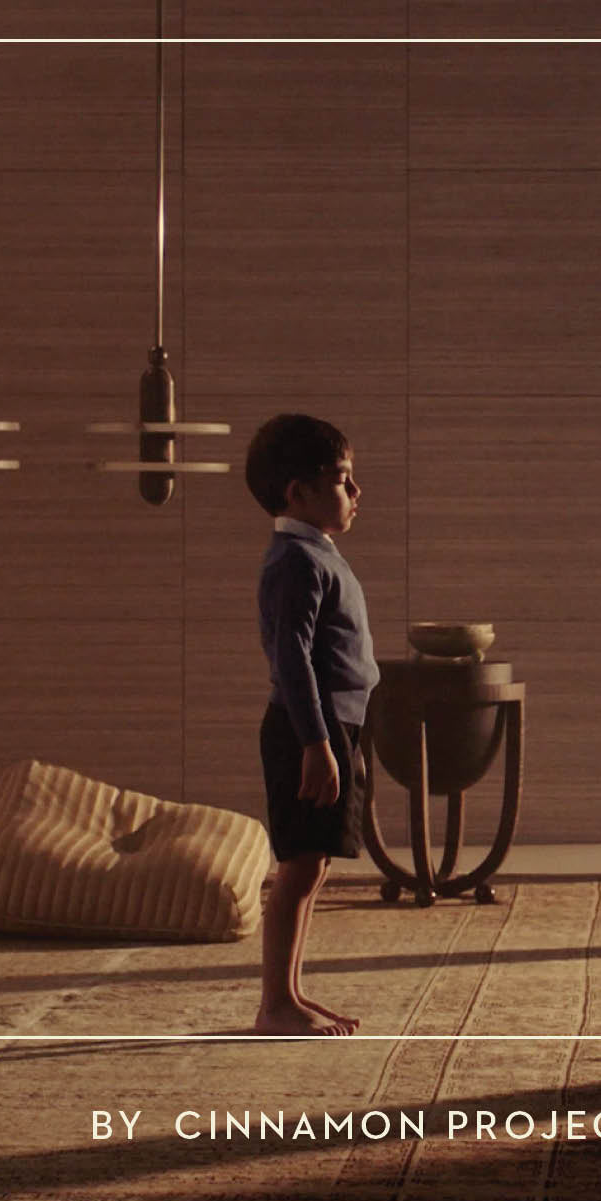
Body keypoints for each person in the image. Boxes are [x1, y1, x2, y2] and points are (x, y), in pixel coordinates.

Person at [245, 413, 380, 1036]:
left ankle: (290, 994)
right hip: (309, 734)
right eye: (343, 480)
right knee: (298, 866)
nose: (356, 493)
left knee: (314, 866)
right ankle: (274, 1004)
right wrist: (318, 744)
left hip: (333, 731)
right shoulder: (296, 561)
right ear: (298, 491)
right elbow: (291, 662)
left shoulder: (317, 554)